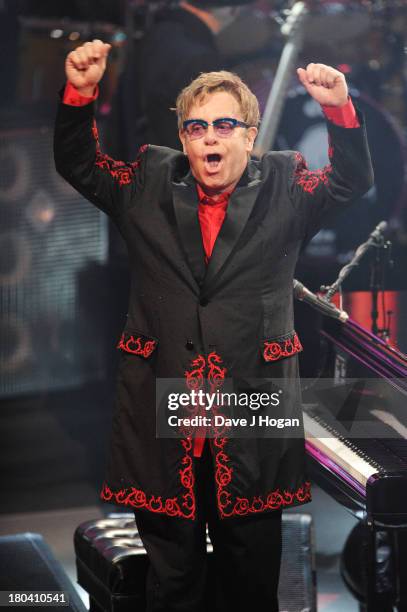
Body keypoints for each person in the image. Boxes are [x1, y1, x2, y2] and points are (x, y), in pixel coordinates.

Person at [54, 39, 374, 612]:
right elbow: (79, 164)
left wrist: (339, 110)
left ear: (250, 135)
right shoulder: (147, 182)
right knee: (172, 583)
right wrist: (80, 93)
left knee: (250, 578)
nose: (209, 137)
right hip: (164, 407)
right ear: (182, 138)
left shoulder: (285, 184)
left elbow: (350, 182)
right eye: (196, 126)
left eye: (225, 124)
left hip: (252, 406)